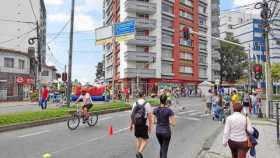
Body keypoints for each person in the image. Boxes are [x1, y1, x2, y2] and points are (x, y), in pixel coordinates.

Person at [130, 91, 153, 158]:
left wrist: (131, 125)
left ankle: (138, 153)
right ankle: (139, 153)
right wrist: (150, 126)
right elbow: (150, 116)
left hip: (136, 123)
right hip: (143, 123)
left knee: (138, 139)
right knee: (145, 140)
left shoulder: (135, 103)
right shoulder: (147, 104)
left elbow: (132, 115)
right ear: (143, 95)